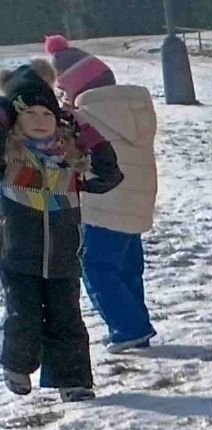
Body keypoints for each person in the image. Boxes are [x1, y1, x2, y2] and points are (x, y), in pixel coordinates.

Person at [0, 64, 119, 401]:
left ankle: (73, 381)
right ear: (15, 120)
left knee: (67, 319)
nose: (40, 119)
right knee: (23, 316)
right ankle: (17, 365)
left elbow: (109, 175)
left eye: (47, 113)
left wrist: (85, 128)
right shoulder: (9, 160)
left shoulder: (70, 161)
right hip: (18, 256)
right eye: (29, 113)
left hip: (64, 257)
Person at [52, 49, 155, 352]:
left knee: (96, 267)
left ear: (76, 86)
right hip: (136, 202)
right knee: (127, 268)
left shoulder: (84, 116)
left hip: (102, 205)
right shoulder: (134, 109)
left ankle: (129, 328)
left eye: (63, 89)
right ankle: (135, 325)